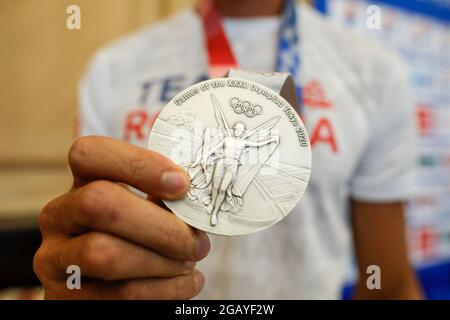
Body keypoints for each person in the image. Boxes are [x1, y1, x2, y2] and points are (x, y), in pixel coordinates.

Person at [33, 0, 423, 299]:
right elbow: (85, 246)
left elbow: (387, 283)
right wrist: (69, 275)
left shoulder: (374, 71)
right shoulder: (115, 66)